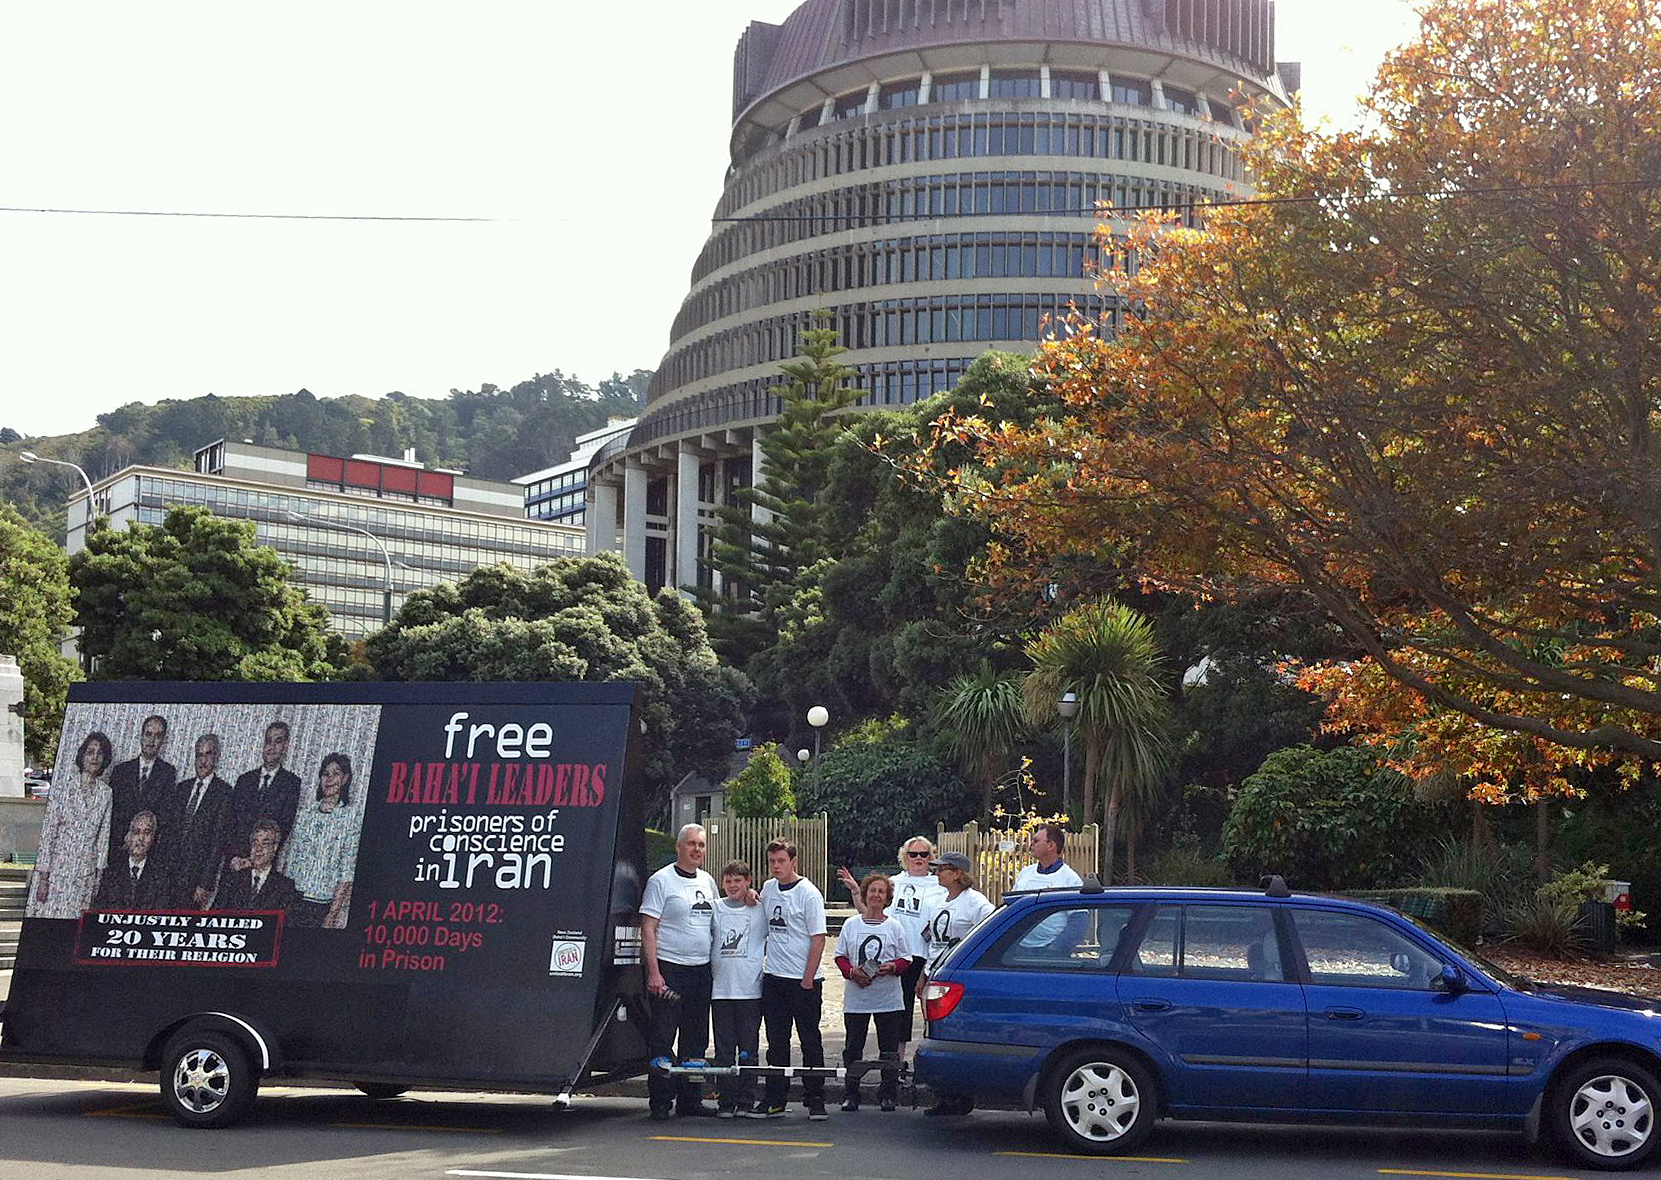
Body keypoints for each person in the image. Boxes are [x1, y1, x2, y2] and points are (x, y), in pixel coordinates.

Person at [640, 823, 719, 1120]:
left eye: (700, 845)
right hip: (669, 970)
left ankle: (691, 1100)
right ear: (679, 846)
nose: (696, 849)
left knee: (696, 1040)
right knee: (662, 1037)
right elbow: (648, 929)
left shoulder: (709, 882)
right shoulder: (661, 881)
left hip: (700, 971)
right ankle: (660, 1101)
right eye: (691, 844)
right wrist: (654, 973)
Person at [756, 837, 828, 1120]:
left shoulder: (808, 893)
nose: (776, 866)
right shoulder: (768, 888)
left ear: (793, 862)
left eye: (781, 861)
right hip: (774, 977)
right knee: (776, 1041)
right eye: (772, 861)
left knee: (809, 1040)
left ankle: (816, 1097)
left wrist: (808, 979)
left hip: (803, 980)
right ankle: (776, 1098)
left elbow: (818, 939)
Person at [919, 851, 995, 1117]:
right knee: (934, 1035)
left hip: (955, 979)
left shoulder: (976, 903)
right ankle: (945, 1094)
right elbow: (931, 941)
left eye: (943, 869)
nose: (937, 873)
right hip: (936, 972)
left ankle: (959, 1095)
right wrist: (924, 975)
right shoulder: (940, 901)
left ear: (957, 873)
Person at [835, 873, 912, 1112]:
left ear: (887, 897)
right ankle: (851, 1093)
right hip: (857, 998)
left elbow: (906, 958)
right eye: (872, 891)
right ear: (865, 894)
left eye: (881, 892)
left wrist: (892, 967)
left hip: (887, 999)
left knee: (888, 1048)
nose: (876, 895)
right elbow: (840, 956)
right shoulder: (851, 924)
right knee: (853, 1047)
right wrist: (852, 973)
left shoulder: (894, 926)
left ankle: (888, 1093)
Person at [31, 731, 115, 919]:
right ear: (82, 755)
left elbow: (104, 835)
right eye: (90, 752)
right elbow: (49, 832)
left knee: (75, 927)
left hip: (85, 873)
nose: (94, 757)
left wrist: (98, 877)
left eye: (99, 753)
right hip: (57, 872)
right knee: (52, 924)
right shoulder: (63, 788)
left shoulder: (105, 793)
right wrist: (44, 878)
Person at [709, 859, 768, 1118]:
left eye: (738, 881)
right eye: (729, 880)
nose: (733, 885)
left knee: (748, 1049)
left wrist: (756, 897)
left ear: (748, 882)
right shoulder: (714, 909)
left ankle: (746, 1100)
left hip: (750, 991)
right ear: (723, 883)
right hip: (720, 991)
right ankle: (726, 1101)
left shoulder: (759, 910)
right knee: (723, 1051)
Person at [279, 752, 361, 928]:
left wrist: (332, 914)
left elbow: (347, 871)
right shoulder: (304, 815)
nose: (330, 779)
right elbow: (291, 859)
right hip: (292, 899)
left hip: (321, 905)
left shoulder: (350, 818)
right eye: (325, 774)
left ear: (345, 779)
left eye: (336, 773)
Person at [156, 734, 234, 909]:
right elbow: (168, 832)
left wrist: (205, 883)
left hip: (195, 880)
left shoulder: (224, 793)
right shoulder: (182, 788)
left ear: (216, 757)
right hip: (167, 874)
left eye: (208, 754)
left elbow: (217, 843)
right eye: (199, 755)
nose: (203, 760)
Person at [220, 721, 302, 875]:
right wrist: (233, 857)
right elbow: (230, 822)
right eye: (268, 741)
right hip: (234, 864)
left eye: (278, 741)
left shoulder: (291, 784)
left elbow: (283, 828)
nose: (272, 747)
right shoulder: (244, 780)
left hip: (263, 868)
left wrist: (252, 860)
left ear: (285, 746)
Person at [105, 715, 176, 868]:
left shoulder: (168, 773)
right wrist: (126, 837)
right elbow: (111, 812)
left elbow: (164, 815)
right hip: (119, 848)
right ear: (141, 736)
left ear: (163, 741)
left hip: (148, 853)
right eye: (148, 734)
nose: (152, 741)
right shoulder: (121, 771)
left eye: (158, 736)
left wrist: (144, 841)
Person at [214, 821, 299, 912]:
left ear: (275, 848)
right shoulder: (232, 880)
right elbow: (213, 915)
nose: (258, 849)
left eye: (265, 844)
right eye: (255, 843)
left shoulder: (285, 887)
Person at [94, 811, 172, 909]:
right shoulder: (111, 873)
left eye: (147, 832)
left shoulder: (162, 877)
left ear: (153, 838)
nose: (141, 838)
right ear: (128, 837)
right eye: (136, 832)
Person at [1011, 823, 1084, 892]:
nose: (1031, 844)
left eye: (1036, 841)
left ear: (1051, 846)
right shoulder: (1025, 873)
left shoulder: (1071, 881)